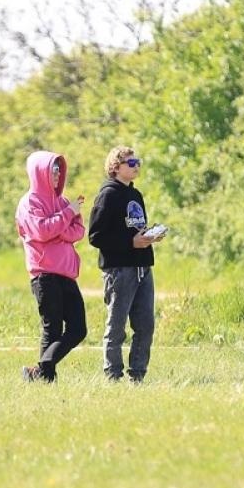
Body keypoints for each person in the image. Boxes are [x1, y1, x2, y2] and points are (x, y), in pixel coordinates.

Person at [87, 146, 163, 382]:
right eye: (131, 163)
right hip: (119, 270)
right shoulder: (108, 195)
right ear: (115, 166)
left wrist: (149, 236)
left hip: (142, 266)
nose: (136, 166)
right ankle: (113, 374)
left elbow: (135, 229)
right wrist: (130, 242)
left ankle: (138, 374)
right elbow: (95, 236)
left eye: (137, 161)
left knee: (145, 325)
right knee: (117, 326)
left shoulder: (135, 195)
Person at [15, 150, 87, 383]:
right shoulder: (29, 202)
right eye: (53, 169)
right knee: (52, 328)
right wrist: (66, 216)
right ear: (40, 172)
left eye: (59, 169)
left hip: (67, 274)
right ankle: (46, 378)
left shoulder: (63, 201)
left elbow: (78, 231)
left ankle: (42, 366)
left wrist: (60, 226)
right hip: (44, 274)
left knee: (78, 329)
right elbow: (42, 231)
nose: (57, 174)